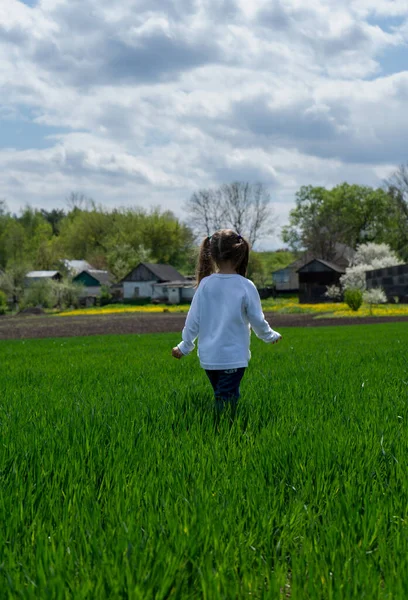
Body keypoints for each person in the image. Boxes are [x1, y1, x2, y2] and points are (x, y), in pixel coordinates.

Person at [171, 229, 282, 415]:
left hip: (209, 358)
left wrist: (184, 346)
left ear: (212, 255)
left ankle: (223, 430)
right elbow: (257, 318)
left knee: (224, 396)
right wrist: (269, 335)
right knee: (226, 399)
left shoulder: (205, 284)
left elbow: (193, 320)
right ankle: (223, 432)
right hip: (232, 357)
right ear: (239, 253)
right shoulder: (245, 286)